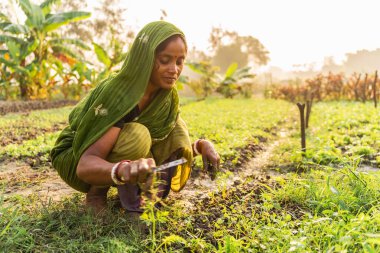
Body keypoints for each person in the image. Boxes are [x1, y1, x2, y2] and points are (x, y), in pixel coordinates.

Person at [50, 21, 220, 214]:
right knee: (137, 136)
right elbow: (85, 164)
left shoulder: (166, 97)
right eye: (165, 60)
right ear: (145, 58)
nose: (174, 69)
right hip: (75, 157)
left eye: (179, 62)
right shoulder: (120, 94)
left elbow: (163, 148)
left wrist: (200, 146)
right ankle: (96, 194)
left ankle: (143, 194)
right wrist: (122, 170)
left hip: (116, 163)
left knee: (177, 128)